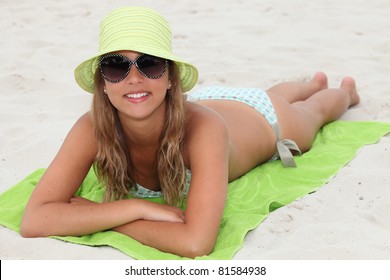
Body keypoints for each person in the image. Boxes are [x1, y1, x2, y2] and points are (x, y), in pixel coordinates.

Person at [20, 6, 359, 258]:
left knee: (312, 112)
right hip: (209, 102)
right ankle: (308, 84)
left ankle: (341, 91)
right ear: (103, 85)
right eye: (116, 66)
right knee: (273, 90)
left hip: (261, 118)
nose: (134, 79)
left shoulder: (204, 128)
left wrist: (94, 218)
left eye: (150, 64)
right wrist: (133, 209)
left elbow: (196, 242)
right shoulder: (92, 126)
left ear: (170, 78)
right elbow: (35, 220)